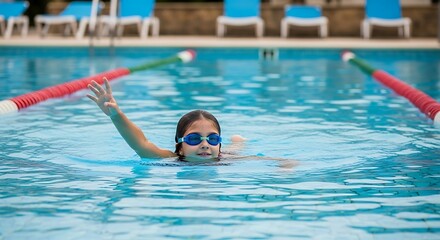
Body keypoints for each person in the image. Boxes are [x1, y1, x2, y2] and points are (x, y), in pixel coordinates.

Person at [87, 78, 245, 161]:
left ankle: (238, 142)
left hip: (225, 155)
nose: (205, 145)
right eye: (194, 139)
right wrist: (116, 115)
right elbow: (141, 144)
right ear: (180, 146)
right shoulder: (171, 159)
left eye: (213, 139)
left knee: (234, 152)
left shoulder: (225, 161)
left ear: (219, 144)